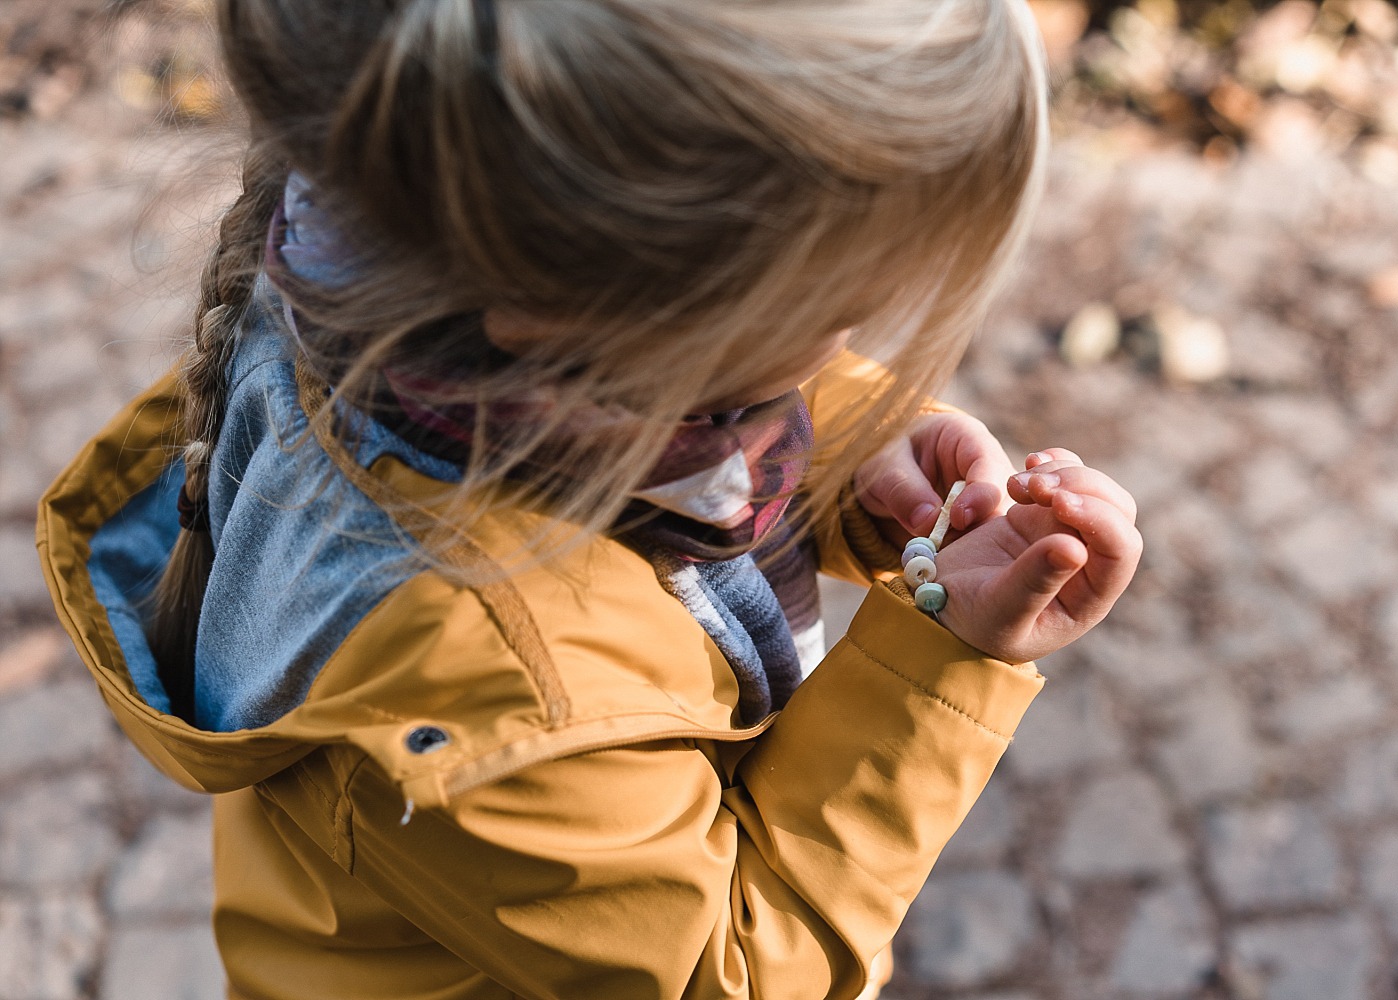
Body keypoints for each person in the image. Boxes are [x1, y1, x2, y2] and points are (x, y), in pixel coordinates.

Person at [37, 1, 1142, 997]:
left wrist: (852, 452)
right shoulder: (508, 694)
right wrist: (937, 654)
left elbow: (654, 404)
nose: (854, 341)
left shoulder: (394, 265)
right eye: (834, 306)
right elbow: (734, 971)